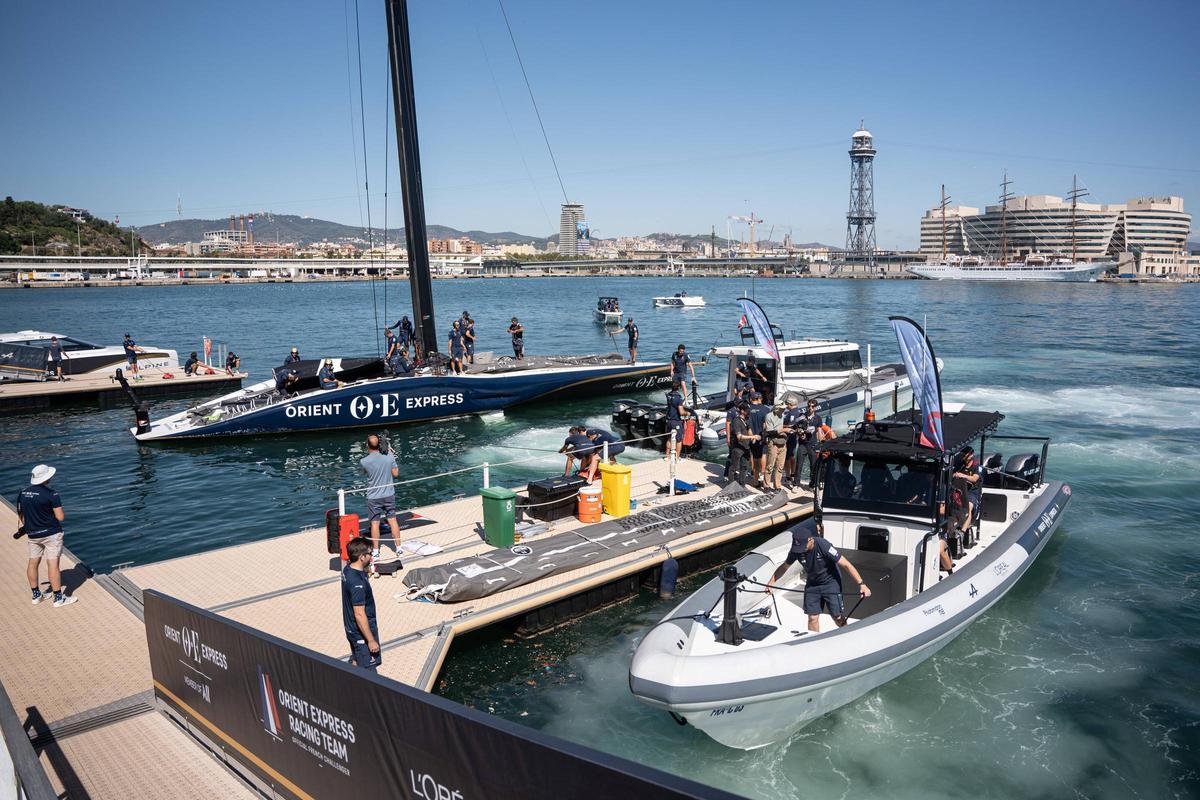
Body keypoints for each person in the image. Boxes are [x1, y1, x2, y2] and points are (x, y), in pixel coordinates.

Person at [766, 523, 870, 631]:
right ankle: (813, 641)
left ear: (811, 540)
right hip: (812, 583)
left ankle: (846, 632)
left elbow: (846, 564)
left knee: (837, 616)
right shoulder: (796, 550)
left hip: (830, 582)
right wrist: (770, 583)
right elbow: (784, 567)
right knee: (812, 617)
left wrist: (862, 584)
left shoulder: (823, 545)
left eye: (803, 546)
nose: (801, 550)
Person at [17, 464, 77, 607]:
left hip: (32, 534)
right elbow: (60, 517)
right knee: (53, 565)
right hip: (51, 534)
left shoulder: (23, 493)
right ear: (47, 477)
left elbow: (20, 514)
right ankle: (58, 598)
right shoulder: (52, 494)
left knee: (33, 563)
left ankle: (36, 595)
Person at [341, 537, 380, 671]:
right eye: (370, 554)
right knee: (370, 671)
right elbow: (359, 614)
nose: (372, 556)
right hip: (361, 633)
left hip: (351, 628)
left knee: (357, 660)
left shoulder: (348, 569)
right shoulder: (357, 583)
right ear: (362, 557)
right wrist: (370, 640)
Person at [360, 434, 401, 562]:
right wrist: (391, 455)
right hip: (389, 494)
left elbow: (365, 473)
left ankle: (376, 552)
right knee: (392, 520)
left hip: (374, 497)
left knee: (375, 524)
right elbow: (396, 474)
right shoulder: (389, 456)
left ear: (367, 445)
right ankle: (399, 548)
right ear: (380, 444)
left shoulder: (364, 461)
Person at [726, 403, 757, 486]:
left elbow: (749, 429)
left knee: (744, 467)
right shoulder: (736, 421)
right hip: (738, 447)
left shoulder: (747, 419)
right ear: (742, 411)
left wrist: (752, 438)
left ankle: (742, 484)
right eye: (747, 410)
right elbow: (739, 436)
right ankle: (730, 485)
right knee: (734, 467)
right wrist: (753, 436)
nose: (749, 412)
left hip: (746, 447)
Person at [795, 399, 823, 489]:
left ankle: (812, 484)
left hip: (813, 444)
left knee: (813, 465)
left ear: (815, 408)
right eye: (809, 406)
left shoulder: (818, 418)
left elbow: (819, 431)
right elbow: (796, 427)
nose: (810, 408)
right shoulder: (801, 416)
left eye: (812, 406)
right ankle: (796, 484)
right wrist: (800, 434)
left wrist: (821, 442)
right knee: (799, 464)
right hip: (802, 443)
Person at [762, 403, 789, 491]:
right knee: (770, 465)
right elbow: (769, 432)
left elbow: (780, 427)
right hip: (773, 442)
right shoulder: (769, 416)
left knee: (780, 466)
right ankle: (766, 485)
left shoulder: (782, 415)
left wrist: (789, 428)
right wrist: (783, 430)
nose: (783, 410)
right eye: (782, 408)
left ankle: (777, 485)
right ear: (777, 409)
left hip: (782, 442)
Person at [746, 392, 769, 485]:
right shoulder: (766, 409)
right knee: (763, 454)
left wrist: (752, 437)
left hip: (752, 437)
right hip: (762, 436)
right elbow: (767, 425)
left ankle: (755, 480)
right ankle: (762, 477)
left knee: (754, 457)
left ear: (751, 399)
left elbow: (748, 426)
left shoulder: (748, 409)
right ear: (759, 399)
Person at [664, 381, 690, 459]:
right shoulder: (679, 398)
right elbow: (681, 412)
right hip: (676, 421)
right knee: (679, 440)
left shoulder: (668, 395)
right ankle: (677, 457)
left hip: (668, 421)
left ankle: (667, 456)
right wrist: (687, 413)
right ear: (679, 388)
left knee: (669, 438)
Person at [781, 397, 802, 486]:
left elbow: (791, 425)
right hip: (795, 436)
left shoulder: (792, 413)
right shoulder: (799, 411)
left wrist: (781, 425)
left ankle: (788, 476)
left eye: (787, 404)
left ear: (790, 404)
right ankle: (792, 473)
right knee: (792, 455)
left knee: (787, 456)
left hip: (790, 436)